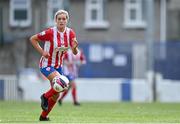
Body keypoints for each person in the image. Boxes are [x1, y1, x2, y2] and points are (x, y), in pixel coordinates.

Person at [30, 9, 78, 121]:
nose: (61, 21)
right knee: (61, 82)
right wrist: (42, 52)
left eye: (64, 19)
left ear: (67, 20)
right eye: (59, 19)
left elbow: (75, 52)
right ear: (55, 21)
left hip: (58, 66)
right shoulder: (50, 32)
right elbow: (33, 39)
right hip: (46, 64)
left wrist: (74, 48)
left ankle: (43, 116)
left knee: (57, 94)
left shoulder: (70, 33)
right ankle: (45, 96)